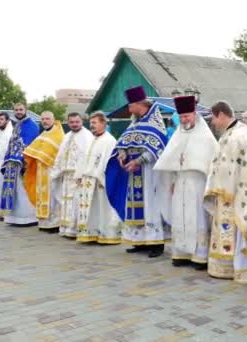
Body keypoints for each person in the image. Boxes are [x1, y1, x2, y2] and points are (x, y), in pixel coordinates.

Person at [204, 100, 247, 283]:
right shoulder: (227, 135)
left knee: (240, 231)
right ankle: (225, 266)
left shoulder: (243, 134)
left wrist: (240, 188)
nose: (213, 124)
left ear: (221, 115)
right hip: (224, 194)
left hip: (239, 193)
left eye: (214, 119)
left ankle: (242, 268)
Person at [154, 96, 219, 269]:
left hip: (198, 183)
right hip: (181, 182)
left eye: (187, 116)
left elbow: (213, 163)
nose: (184, 120)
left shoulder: (205, 136)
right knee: (180, 216)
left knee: (197, 217)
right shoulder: (177, 135)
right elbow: (170, 160)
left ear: (194, 114)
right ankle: (181, 253)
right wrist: (173, 180)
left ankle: (200, 255)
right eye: (181, 117)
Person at [105, 86, 170, 258]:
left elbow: (158, 148)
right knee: (135, 205)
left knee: (151, 204)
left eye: (130, 105)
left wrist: (138, 161)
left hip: (149, 170)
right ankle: (140, 240)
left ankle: (156, 243)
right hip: (133, 172)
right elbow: (124, 142)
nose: (128, 108)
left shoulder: (155, 123)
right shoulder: (135, 122)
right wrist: (122, 154)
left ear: (139, 104)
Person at [74, 112, 123, 244]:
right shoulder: (91, 139)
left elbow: (110, 164)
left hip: (100, 181)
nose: (92, 126)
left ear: (103, 124)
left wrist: (104, 179)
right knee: (91, 210)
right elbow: (83, 158)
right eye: (91, 123)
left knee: (103, 209)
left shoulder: (110, 141)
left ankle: (107, 235)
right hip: (87, 181)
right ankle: (92, 233)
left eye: (94, 123)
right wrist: (79, 175)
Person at [51, 112, 93, 238]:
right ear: (68, 122)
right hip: (66, 174)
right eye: (72, 122)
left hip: (78, 176)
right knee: (66, 202)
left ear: (81, 122)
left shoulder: (87, 136)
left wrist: (82, 175)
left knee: (76, 202)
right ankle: (66, 228)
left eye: (77, 122)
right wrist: (56, 172)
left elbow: (88, 157)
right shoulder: (67, 136)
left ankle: (75, 229)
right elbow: (60, 154)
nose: (74, 124)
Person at [22, 111, 65, 232]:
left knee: (53, 197)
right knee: (42, 195)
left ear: (53, 119)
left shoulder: (58, 134)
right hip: (41, 170)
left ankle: (55, 224)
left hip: (52, 170)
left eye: (47, 119)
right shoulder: (44, 134)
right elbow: (33, 149)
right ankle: (44, 223)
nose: (45, 121)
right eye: (43, 119)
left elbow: (57, 153)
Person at [1, 103, 40, 226]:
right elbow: (12, 143)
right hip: (12, 163)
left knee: (24, 189)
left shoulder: (31, 125)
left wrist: (23, 161)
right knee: (15, 190)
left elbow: (27, 143)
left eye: (21, 109)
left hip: (23, 162)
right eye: (16, 110)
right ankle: (15, 217)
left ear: (26, 110)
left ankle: (29, 218)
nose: (18, 112)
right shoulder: (17, 124)